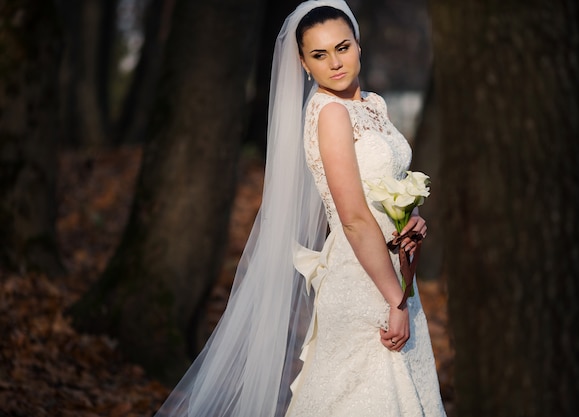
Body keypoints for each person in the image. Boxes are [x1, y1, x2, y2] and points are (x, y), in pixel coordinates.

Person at [154, 1, 446, 416]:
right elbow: (354, 218)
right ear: (304, 64)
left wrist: (410, 219)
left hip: (396, 273)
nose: (335, 63)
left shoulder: (374, 107)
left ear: (359, 46)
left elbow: (384, 191)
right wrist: (394, 302)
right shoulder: (329, 114)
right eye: (319, 55)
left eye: (342, 47)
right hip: (368, 283)